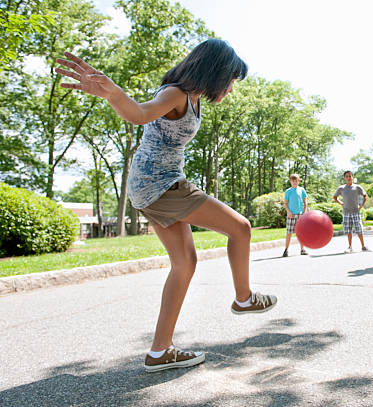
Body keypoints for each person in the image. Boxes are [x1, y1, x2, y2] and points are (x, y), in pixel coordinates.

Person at [55, 39, 277, 373]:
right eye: (230, 80)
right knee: (241, 228)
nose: (231, 88)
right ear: (215, 71)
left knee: (185, 263)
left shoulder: (194, 98)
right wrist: (113, 93)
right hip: (160, 184)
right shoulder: (176, 93)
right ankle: (244, 298)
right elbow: (141, 114)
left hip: (152, 186)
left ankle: (160, 351)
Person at [333, 170, 368, 253]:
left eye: (350, 176)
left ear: (352, 177)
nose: (349, 178)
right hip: (346, 212)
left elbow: (365, 196)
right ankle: (350, 247)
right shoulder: (341, 188)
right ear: (345, 178)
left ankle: (363, 246)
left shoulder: (357, 187)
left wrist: (361, 206)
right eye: (347, 176)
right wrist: (341, 203)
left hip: (356, 211)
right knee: (348, 230)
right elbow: (335, 197)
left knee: (359, 229)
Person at [283, 174, 308, 257]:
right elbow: (286, 204)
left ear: (298, 181)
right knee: (289, 233)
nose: (295, 182)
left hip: (300, 214)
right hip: (291, 215)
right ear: (290, 181)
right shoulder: (288, 191)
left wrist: (304, 212)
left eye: (296, 180)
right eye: (293, 181)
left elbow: (305, 202)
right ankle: (286, 250)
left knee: (301, 232)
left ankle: (302, 249)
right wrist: (289, 212)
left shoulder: (302, 190)